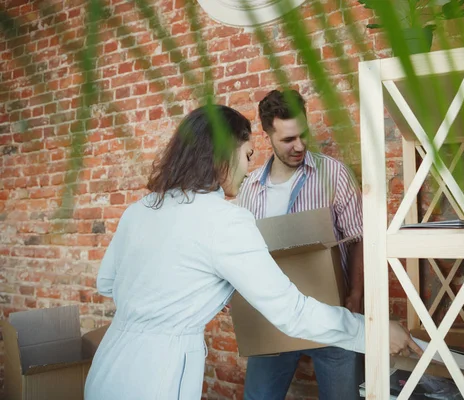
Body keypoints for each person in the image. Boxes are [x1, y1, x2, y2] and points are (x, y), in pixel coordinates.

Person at [84, 105, 420, 400]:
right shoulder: (225, 219)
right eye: (246, 156)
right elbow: (291, 312)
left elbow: (108, 283)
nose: (248, 170)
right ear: (222, 155)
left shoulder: (139, 209)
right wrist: (371, 332)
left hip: (108, 363)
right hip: (159, 375)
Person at [237, 89, 368, 400]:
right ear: (268, 135)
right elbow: (241, 254)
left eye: (303, 135)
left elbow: (359, 237)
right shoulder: (250, 189)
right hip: (273, 317)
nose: (299, 146)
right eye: (287, 140)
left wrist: (355, 295)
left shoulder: (333, 174)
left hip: (331, 317)